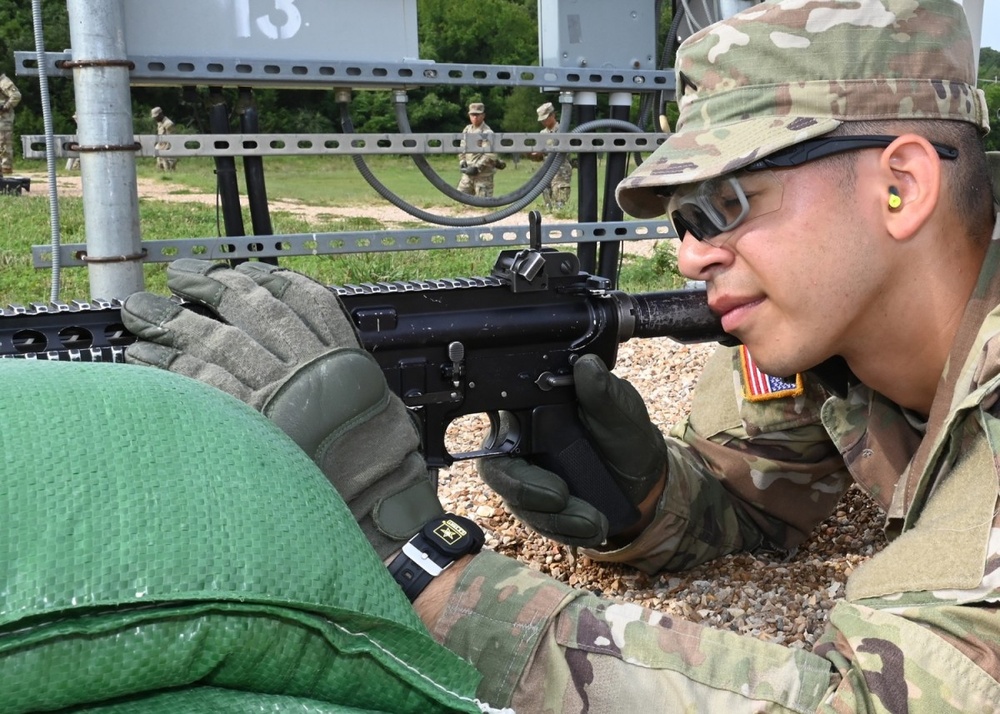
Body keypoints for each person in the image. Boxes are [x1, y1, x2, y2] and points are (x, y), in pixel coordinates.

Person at [119, 1, 1000, 711]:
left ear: (901, 185)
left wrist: (425, 570)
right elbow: (755, 509)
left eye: (726, 203)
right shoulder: (828, 332)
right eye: (681, 217)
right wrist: (645, 496)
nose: (690, 254)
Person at [529, 101, 573, 211]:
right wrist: (533, 155)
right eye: (542, 120)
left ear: (552, 115)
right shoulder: (542, 134)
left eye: (545, 118)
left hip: (561, 172)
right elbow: (540, 157)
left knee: (560, 204)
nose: (543, 122)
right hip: (547, 171)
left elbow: (566, 151)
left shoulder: (562, 130)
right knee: (548, 203)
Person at [457, 102, 499, 197]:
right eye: (472, 115)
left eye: (477, 115)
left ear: (483, 115)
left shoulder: (487, 132)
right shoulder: (467, 130)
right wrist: (462, 161)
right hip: (467, 175)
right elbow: (462, 147)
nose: (475, 117)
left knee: (483, 205)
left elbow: (490, 155)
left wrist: (477, 167)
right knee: (459, 200)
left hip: (483, 176)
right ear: (469, 115)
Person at [0, 72, 22, 177]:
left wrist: (5, 107)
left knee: (3, 145)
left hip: (3, 120)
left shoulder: (3, 81)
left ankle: (5, 173)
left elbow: (16, 95)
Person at [151, 106, 177, 171]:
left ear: (160, 114)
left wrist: (165, 151)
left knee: (169, 169)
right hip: (161, 149)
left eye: (156, 116)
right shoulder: (160, 123)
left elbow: (171, 139)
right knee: (160, 168)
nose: (155, 118)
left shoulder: (168, 124)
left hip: (168, 150)